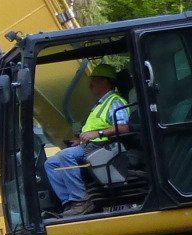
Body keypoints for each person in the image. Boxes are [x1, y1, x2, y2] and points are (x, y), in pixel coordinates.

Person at [45, 66, 132, 216]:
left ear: (105, 81)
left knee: (66, 155)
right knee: (51, 164)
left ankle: (81, 201)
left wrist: (97, 133)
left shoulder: (115, 102)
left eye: (94, 81)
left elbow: (124, 128)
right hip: (91, 145)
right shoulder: (100, 104)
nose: (90, 85)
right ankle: (69, 204)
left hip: (105, 145)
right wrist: (80, 140)